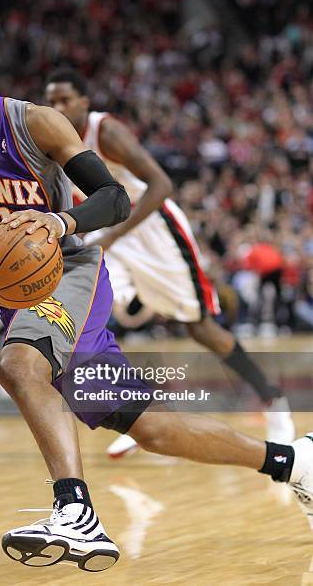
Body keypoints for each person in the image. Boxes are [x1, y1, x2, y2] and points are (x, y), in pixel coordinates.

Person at [0, 48, 313, 573]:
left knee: (17, 366)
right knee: (150, 429)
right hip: (20, 300)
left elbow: (114, 198)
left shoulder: (34, 123)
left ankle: (75, 511)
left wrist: (60, 222)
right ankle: (293, 462)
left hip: (71, 274)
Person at [44, 68, 295, 459]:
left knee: (198, 326)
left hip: (154, 228)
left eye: (64, 100)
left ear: (83, 102)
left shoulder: (105, 132)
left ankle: (272, 398)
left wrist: (112, 235)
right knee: (105, 313)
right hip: (111, 233)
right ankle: (143, 412)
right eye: (51, 101)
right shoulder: (52, 137)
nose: (57, 107)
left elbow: (162, 184)